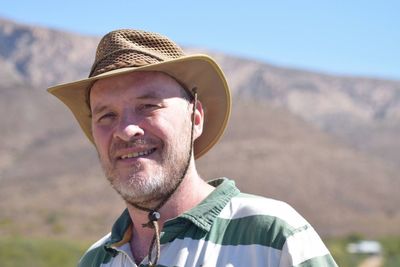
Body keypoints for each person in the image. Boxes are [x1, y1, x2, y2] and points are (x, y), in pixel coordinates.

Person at [48, 29, 337, 267]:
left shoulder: (272, 238)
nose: (125, 130)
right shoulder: (95, 261)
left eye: (148, 106)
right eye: (106, 115)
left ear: (195, 119)